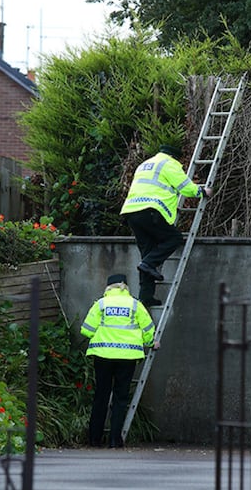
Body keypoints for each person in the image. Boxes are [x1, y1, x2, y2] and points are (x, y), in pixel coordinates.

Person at [120, 144, 213, 307]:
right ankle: (148, 265)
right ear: (175, 157)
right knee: (174, 238)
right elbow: (186, 188)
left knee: (147, 254)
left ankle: (146, 296)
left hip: (131, 212)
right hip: (150, 211)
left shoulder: (145, 165)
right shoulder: (169, 164)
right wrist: (203, 192)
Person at [80, 273, 157, 448]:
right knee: (120, 398)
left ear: (108, 287)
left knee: (101, 396)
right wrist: (152, 343)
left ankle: (94, 439)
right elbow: (148, 330)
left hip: (103, 356)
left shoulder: (101, 304)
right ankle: (115, 440)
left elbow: (86, 330)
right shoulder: (136, 305)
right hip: (127, 357)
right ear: (126, 287)